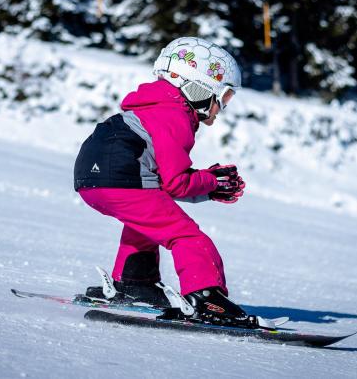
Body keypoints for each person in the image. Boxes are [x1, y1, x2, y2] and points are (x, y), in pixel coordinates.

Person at [73, 37, 258, 328]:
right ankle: (207, 299)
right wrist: (211, 181)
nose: (221, 108)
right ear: (199, 87)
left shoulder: (150, 108)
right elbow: (176, 183)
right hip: (122, 178)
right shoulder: (175, 116)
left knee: (147, 221)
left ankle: (137, 284)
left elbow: (162, 182)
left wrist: (208, 187)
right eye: (224, 97)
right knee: (187, 237)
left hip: (91, 180)